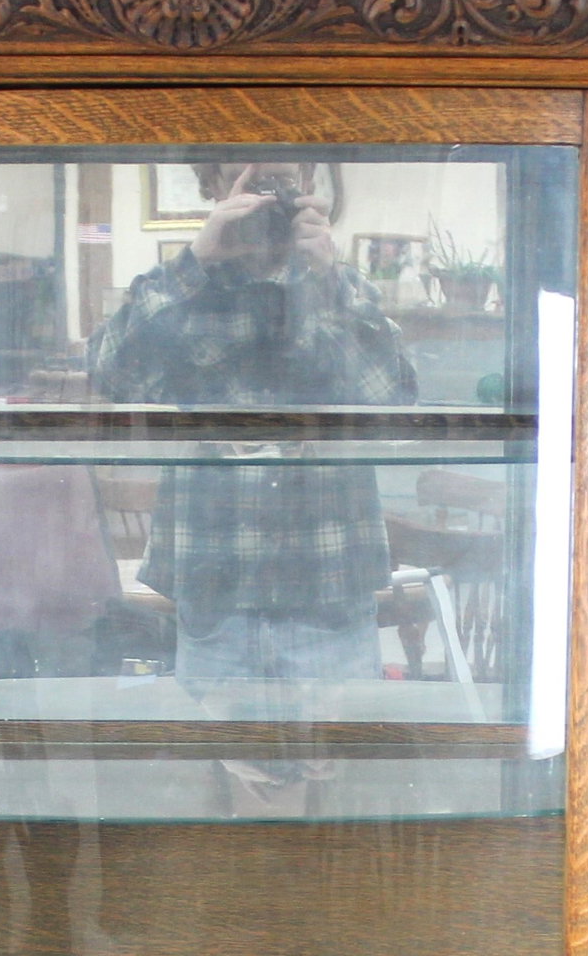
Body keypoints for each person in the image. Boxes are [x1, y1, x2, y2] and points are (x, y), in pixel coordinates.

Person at [88, 159, 417, 691]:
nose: (266, 201)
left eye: (280, 184)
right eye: (250, 184)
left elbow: (395, 404)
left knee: (337, 761)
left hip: (327, 586)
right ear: (213, 186)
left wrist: (329, 280)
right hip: (214, 587)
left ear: (308, 186)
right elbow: (109, 376)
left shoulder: (342, 286)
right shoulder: (180, 288)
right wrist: (194, 261)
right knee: (219, 761)